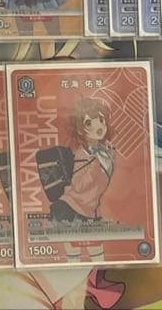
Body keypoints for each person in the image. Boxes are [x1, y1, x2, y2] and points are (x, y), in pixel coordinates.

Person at [50, 97, 115, 263]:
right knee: (77, 255)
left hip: (88, 210)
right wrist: (93, 166)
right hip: (71, 209)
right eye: (88, 123)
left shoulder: (105, 151)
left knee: (96, 255)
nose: (98, 126)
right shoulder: (83, 154)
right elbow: (78, 185)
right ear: (80, 130)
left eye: (101, 119)